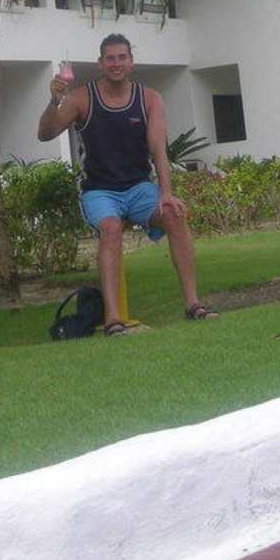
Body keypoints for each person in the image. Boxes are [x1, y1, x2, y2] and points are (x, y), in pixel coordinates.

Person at [37, 33, 218, 336]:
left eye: (122, 57)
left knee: (174, 215)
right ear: (100, 63)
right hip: (99, 190)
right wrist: (54, 100)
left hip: (138, 187)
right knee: (110, 229)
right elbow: (45, 133)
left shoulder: (150, 99)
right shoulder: (81, 97)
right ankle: (113, 320)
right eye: (110, 58)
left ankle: (193, 305)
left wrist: (166, 193)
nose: (116, 63)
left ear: (131, 62)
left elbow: (158, 148)